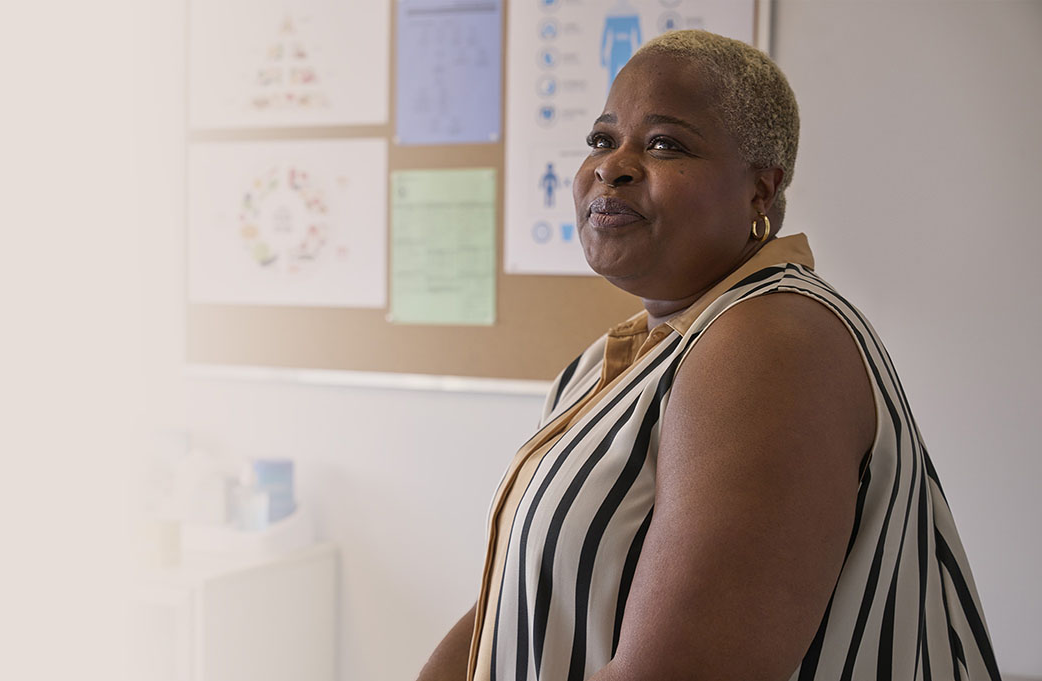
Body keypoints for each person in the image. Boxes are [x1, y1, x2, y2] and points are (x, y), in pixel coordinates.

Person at [417, 30, 1000, 681]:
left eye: (665, 144)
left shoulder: (774, 343)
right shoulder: (615, 359)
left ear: (760, 191)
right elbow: (521, 600)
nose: (613, 165)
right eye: (602, 140)